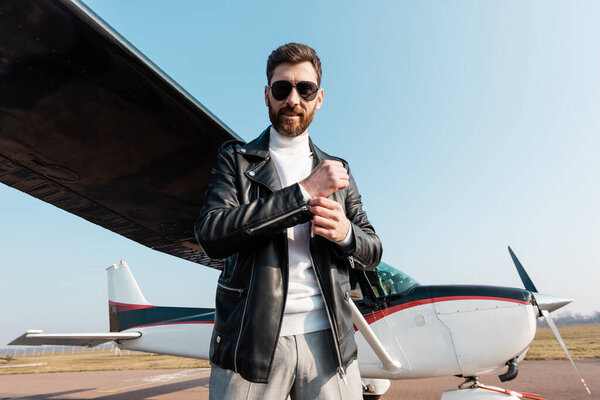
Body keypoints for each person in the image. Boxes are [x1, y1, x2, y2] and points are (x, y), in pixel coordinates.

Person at [195, 42, 382, 400]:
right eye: (282, 88)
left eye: (305, 89)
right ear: (267, 95)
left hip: (331, 342)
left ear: (319, 97)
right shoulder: (235, 160)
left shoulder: (338, 171)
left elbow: (373, 249)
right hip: (251, 345)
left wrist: (346, 234)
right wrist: (303, 194)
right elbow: (211, 234)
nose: (293, 99)